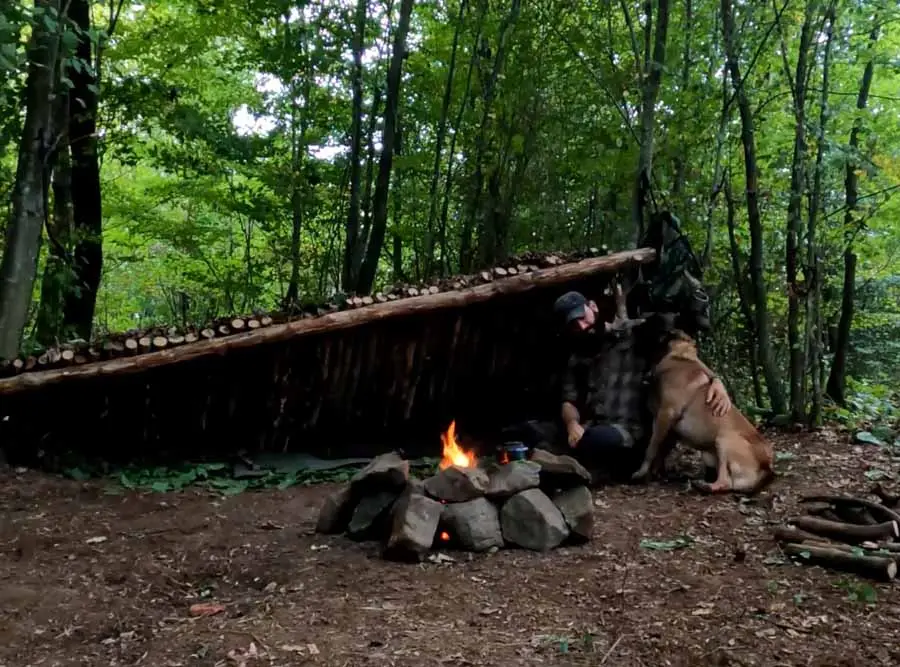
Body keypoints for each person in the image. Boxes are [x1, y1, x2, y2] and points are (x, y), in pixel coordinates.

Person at [547, 289, 732, 481]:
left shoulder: (634, 333)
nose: (583, 326)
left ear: (593, 307)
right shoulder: (578, 357)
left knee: (597, 441)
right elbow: (568, 400)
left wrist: (715, 379)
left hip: (630, 434)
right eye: (575, 325)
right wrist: (572, 424)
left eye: (583, 318)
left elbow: (682, 351)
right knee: (537, 434)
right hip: (594, 427)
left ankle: (599, 470)